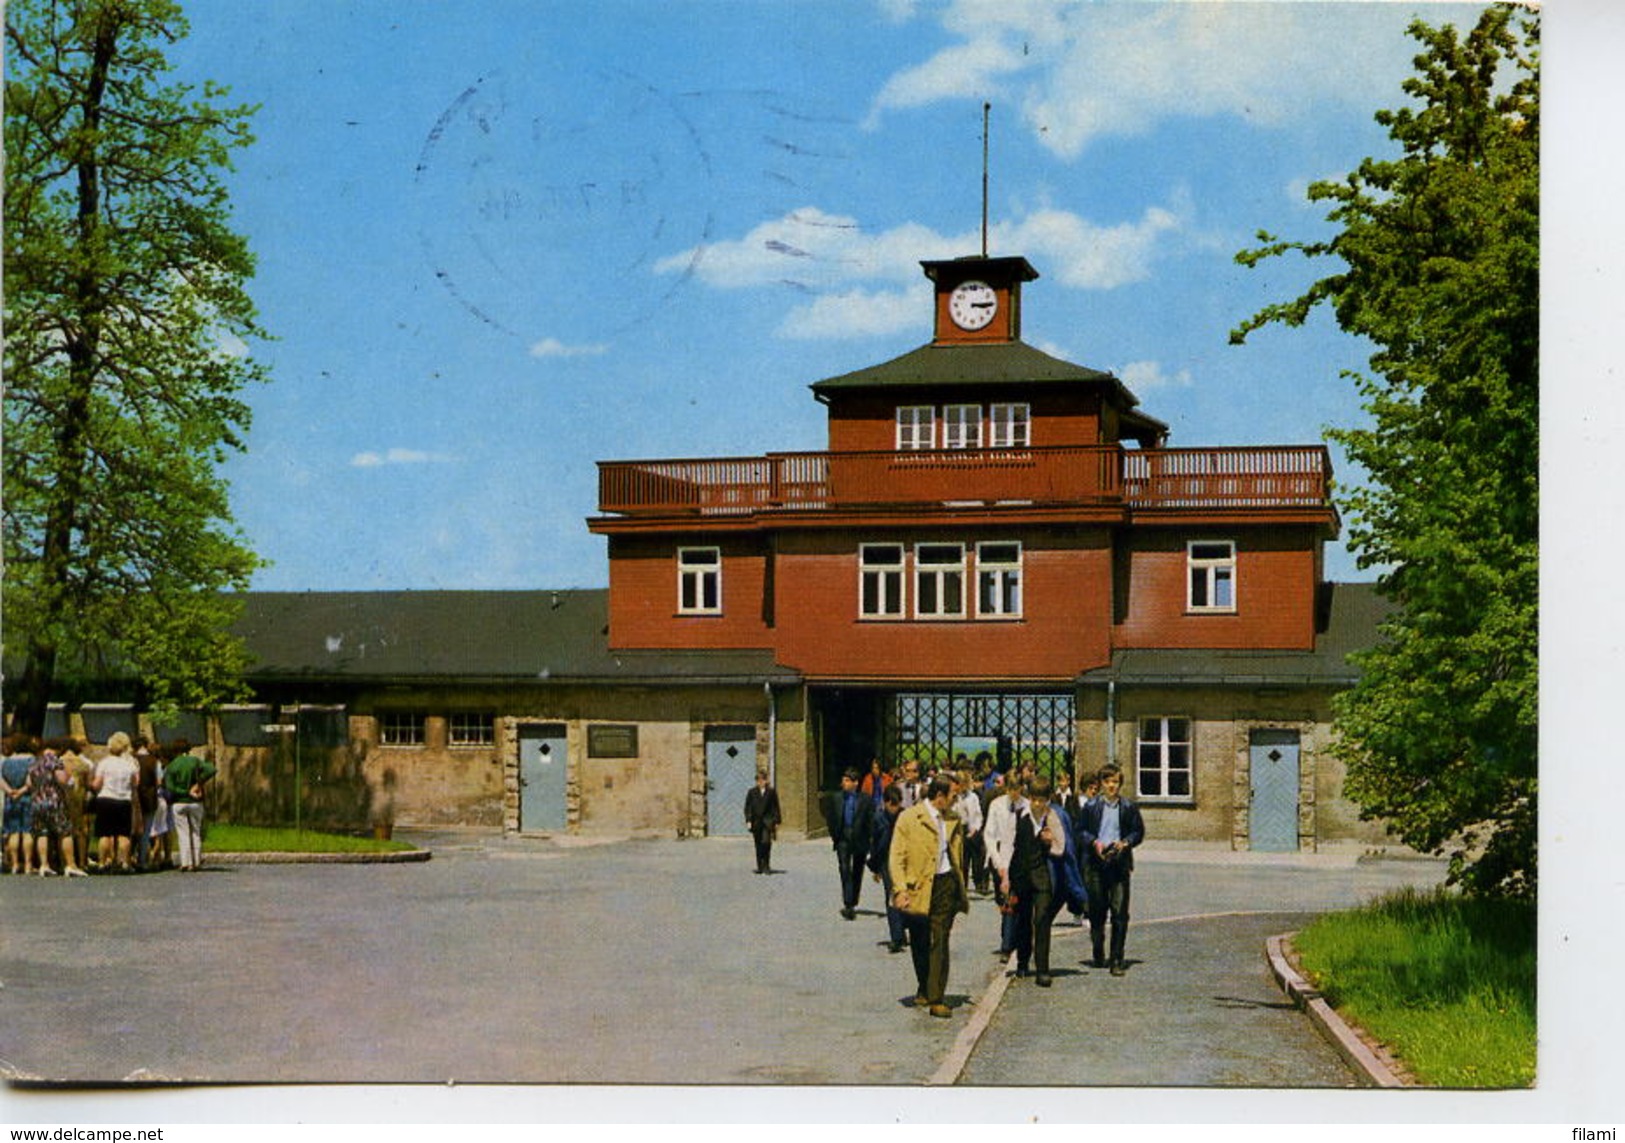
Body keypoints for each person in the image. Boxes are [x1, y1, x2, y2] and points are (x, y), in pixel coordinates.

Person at [888, 775, 969, 1018]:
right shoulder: (909, 818)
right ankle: (924, 986)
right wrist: (900, 889)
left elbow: (958, 854)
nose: (956, 800)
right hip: (919, 888)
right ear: (940, 796)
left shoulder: (954, 819)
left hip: (945, 884)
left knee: (940, 939)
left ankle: (937, 998)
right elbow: (896, 856)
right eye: (953, 795)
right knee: (920, 940)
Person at [1077, 763, 1146, 976]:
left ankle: (1117, 958)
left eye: (1115, 782)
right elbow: (1080, 831)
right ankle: (1098, 947)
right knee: (1097, 912)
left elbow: (1138, 831)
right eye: (1107, 782)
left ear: (1120, 783)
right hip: (1097, 864)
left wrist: (1126, 842)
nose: (1111, 786)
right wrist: (1094, 842)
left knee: (1120, 912)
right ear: (1101, 784)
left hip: (1119, 863)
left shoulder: (1128, 807)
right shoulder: (1091, 806)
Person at [1009, 777, 1069, 986]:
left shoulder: (1052, 818)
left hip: (1042, 876)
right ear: (1029, 798)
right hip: (1021, 876)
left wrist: (1048, 842)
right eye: (1034, 799)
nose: (1037, 804)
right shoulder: (1019, 816)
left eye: (1042, 800)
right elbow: (1011, 848)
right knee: (1023, 920)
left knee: (1042, 919)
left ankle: (1043, 968)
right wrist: (1006, 879)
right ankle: (1023, 962)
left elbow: (1061, 848)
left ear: (1048, 799)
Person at [819, 768, 874, 920]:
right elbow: (830, 818)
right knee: (844, 869)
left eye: (847, 780)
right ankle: (848, 903)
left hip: (859, 840)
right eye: (843, 780)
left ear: (855, 783)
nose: (843, 783)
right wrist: (834, 836)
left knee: (857, 871)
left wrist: (870, 839)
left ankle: (853, 899)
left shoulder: (865, 800)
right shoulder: (836, 798)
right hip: (843, 838)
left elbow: (870, 821)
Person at [982, 773, 1024, 958]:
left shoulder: (1027, 806)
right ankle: (1008, 938)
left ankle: (1007, 945)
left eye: (1017, 790)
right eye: (1011, 790)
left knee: (1013, 900)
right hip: (1000, 853)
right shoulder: (996, 805)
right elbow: (989, 834)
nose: (1014, 794)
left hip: (1019, 856)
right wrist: (997, 861)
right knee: (1003, 900)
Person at [28, 747, 86, 876]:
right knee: (65, 832)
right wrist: (68, 774)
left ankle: (44, 865)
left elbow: (28, 783)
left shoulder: (34, 764)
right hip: (54, 802)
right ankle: (70, 865)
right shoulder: (55, 762)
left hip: (37, 802)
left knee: (42, 833)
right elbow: (62, 780)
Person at [91, 731, 141, 873]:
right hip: (123, 800)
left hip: (106, 799)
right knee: (124, 834)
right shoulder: (129, 765)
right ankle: (124, 862)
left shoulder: (104, 763)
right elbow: (136, 783)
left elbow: (97, 784)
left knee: (105, 833)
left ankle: (101, 863)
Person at [866, 784, 908, 953]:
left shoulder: (905, 817)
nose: (894, 808)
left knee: (906, 896)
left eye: (896, 804)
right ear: (885, 803)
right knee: (892, 897)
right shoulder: (878, 818)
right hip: (886, 862)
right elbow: (875, 844)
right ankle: (896, 938)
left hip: (905, 861)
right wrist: (875, 868)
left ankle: (903, 929)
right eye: (891, 805)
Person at [164, 740, 217, 873]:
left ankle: (185, 862)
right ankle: (196, 861)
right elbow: (212, 769)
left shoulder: (171, 766)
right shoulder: (195, 761)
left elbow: (170, 787)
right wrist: (198, 784)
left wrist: (184, 792)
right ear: (188, 749)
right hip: (196, 802)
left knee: (183, 833)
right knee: (196, 831)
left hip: (179, 803)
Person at [3, 735, 39, 875]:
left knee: (13, 832)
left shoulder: (6, 761)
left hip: (10, 799)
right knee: (27, 831)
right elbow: (31, 781)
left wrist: (10, 791)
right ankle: (28, 864)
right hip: (27, 798)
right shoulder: (31, 760)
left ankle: (15, 864)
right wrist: (21, 791)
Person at [743, 768, 781, 874]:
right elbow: (748, 807)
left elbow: (775, 807)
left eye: (763, 780)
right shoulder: (752, 792)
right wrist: (748, 820)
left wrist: (777, 821)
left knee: (766, 842)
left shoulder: (771, 792)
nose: (761, 782)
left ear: (766, 780)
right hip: (756, 822)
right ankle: (760, 866)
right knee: (758, 844)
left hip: (767, 822)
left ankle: (767, 866)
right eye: (759, 780)